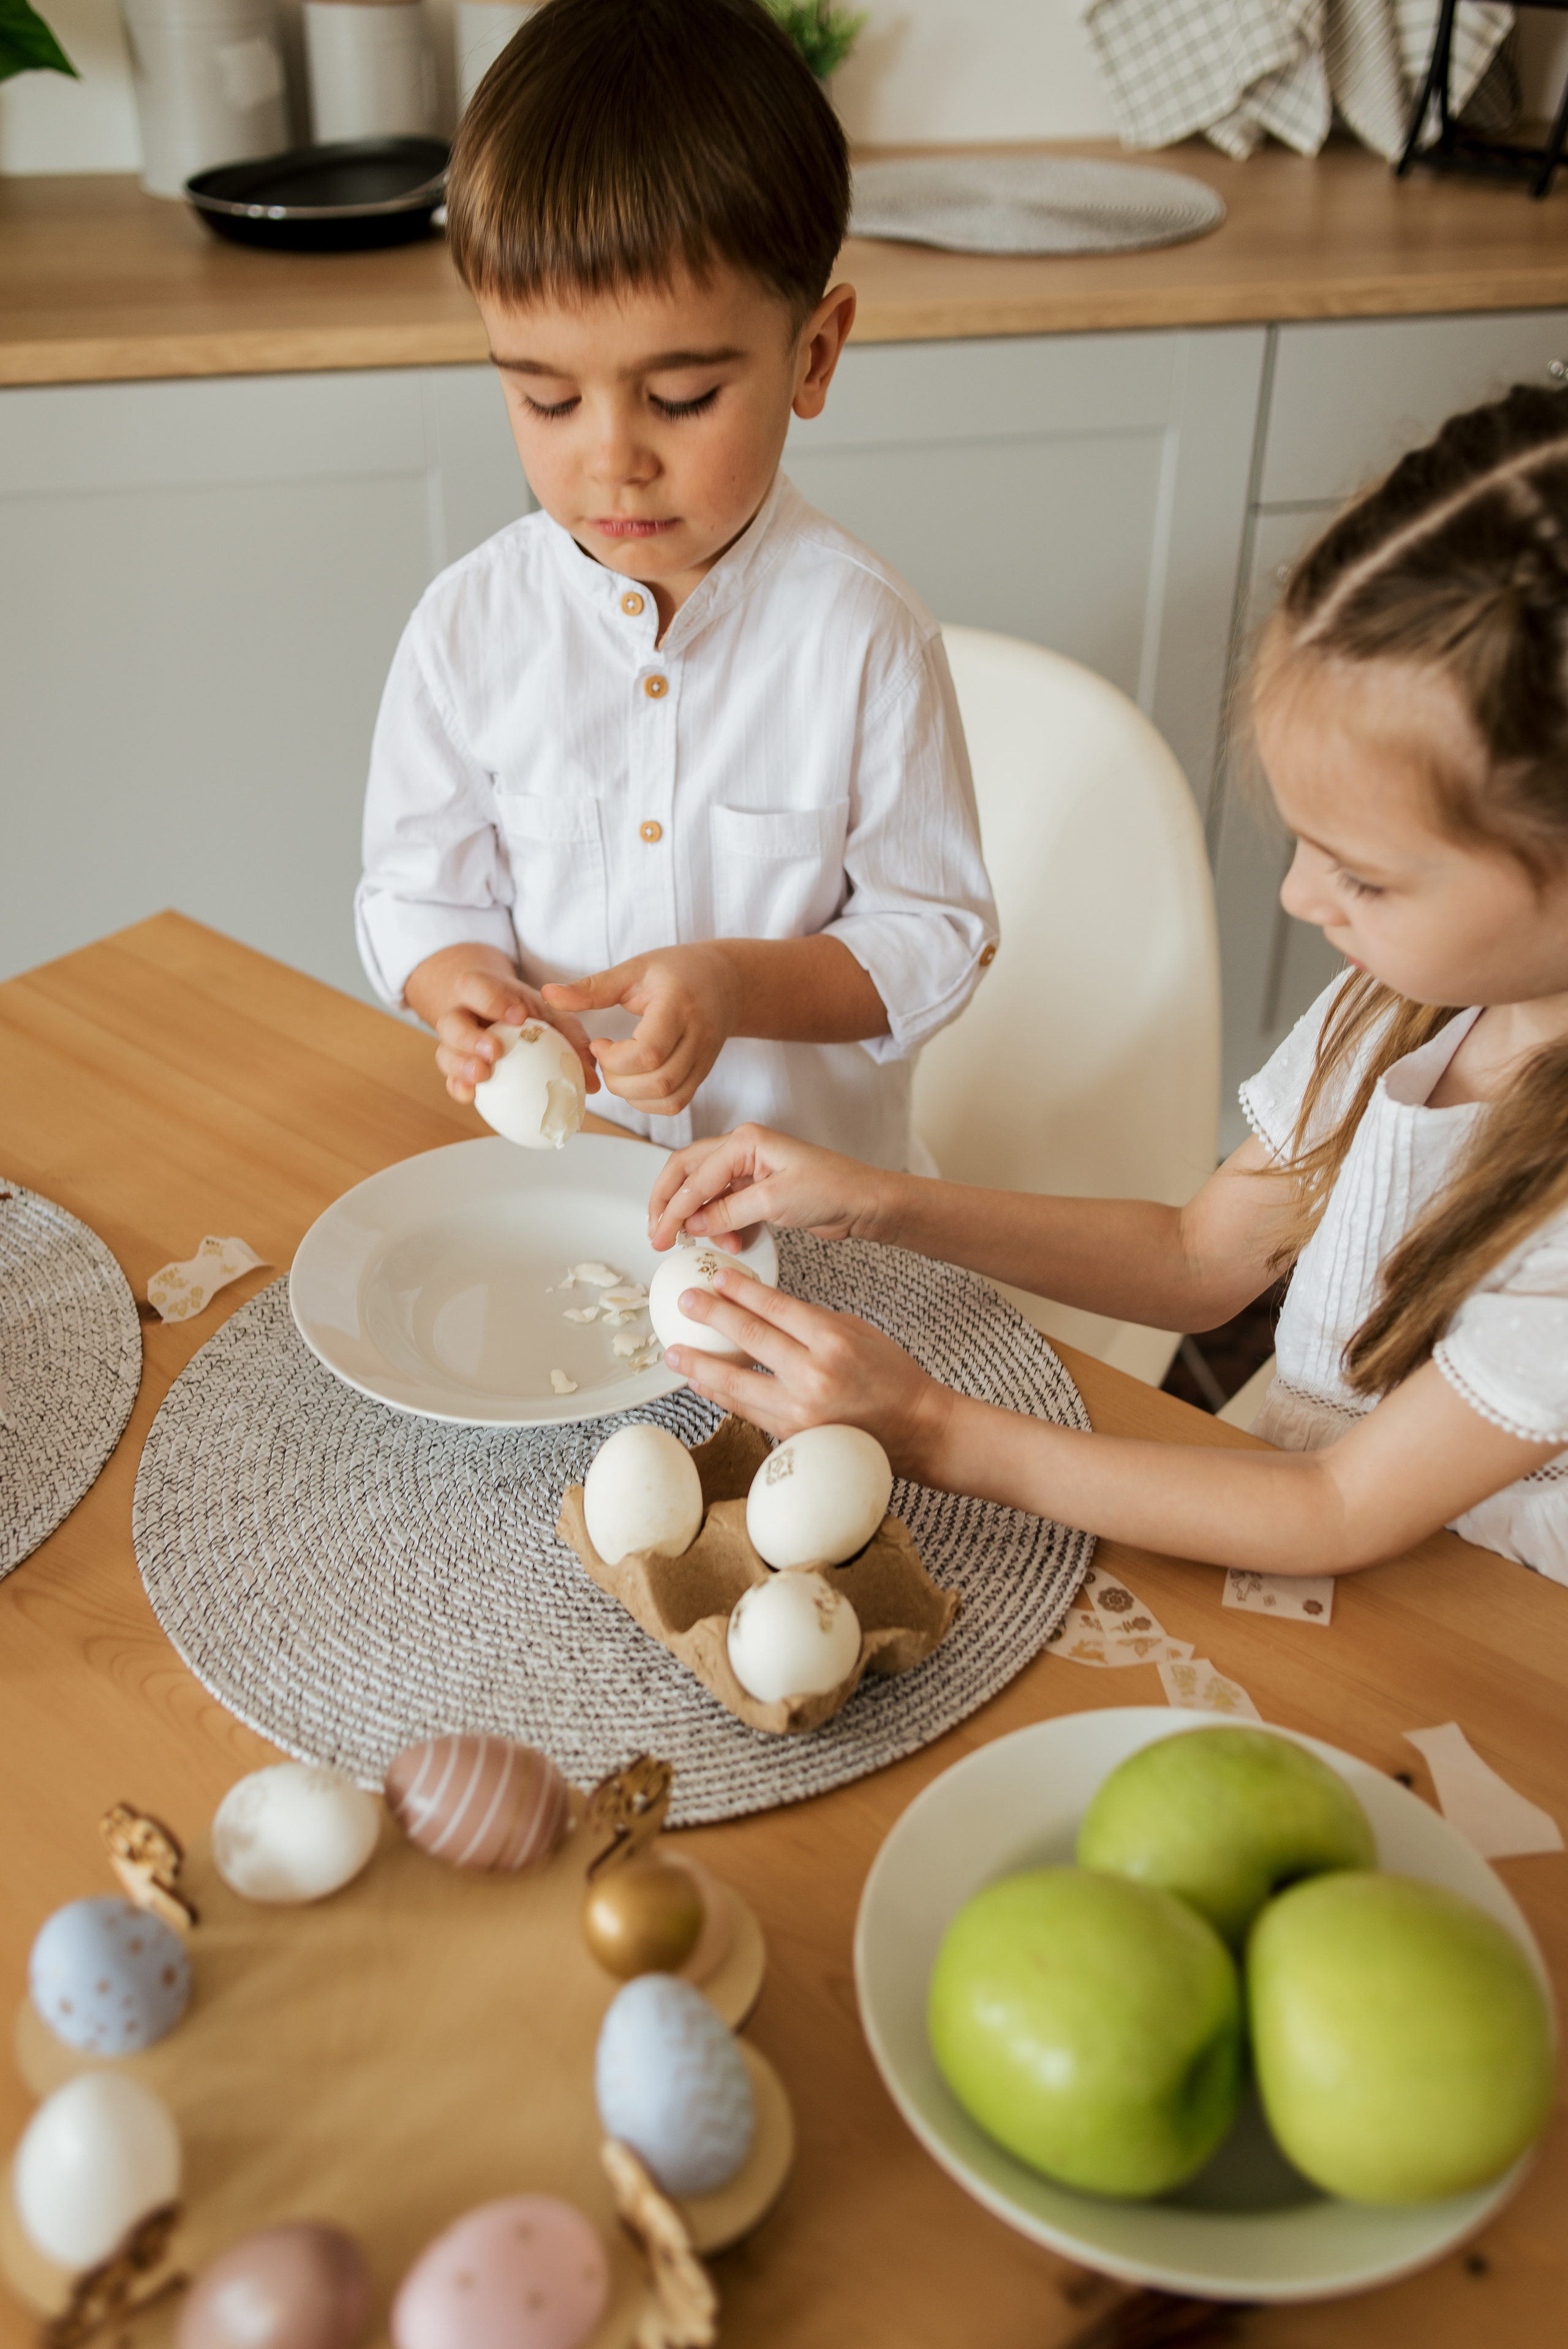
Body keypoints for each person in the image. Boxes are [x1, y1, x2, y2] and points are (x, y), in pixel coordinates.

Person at [647, 384, 1568, 1585]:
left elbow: (1337, 1509)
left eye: (1363, 876)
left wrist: (927, 1427)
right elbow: (1200, 1261)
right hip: (1308, 1549)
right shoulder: (1408, 1000)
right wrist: (870, 1201)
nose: (1296, 899)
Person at [355, 0, 996, 1172]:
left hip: (810, 1218)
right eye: (546, 400)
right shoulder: (467, 629)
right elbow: (416, 896)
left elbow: (936, 939)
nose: (611, 458)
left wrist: (737, 982)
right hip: (564, 1195)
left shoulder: (864, 636)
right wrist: (463, 989)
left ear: (813, 355)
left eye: (683, 397)